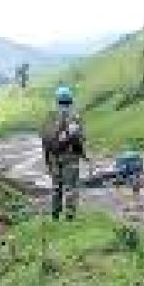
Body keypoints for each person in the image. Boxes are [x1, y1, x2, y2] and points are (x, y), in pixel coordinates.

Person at [41, 84, 87, 220]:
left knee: (56, 187)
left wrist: (47, 160)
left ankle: (55, 216)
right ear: (70, 100)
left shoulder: (50, 117)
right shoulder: (75, 117)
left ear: (57, 100)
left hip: (54, 158)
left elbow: (44, 139)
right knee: (71, 187)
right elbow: (79, 138)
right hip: (70, 158)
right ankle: (70, 217)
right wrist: (82, 153)